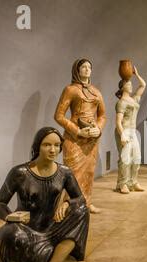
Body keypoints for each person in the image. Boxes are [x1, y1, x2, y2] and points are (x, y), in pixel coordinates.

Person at [0, 127, 90, 262]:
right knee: (10, 236)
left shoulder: (65, 172)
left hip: (53, 229)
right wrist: (10, 217)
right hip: (26, 232)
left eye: (57, 145)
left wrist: (67, 203)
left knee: (82, 210)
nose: (53, 150)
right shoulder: (20, 172)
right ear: (37, 146)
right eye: (47, 145)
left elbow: (79, 198)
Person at [54, 58, 106, 214]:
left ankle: (87, 202)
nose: (87, 69)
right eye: (83, 67)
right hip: (74, 138)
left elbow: (102, 115)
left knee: (89, 172)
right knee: (73, 174)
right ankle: (66, 207)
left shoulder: (96, 91)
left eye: (89, 67)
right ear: (76, 70)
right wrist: (77, 131)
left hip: (91, 139)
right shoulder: (70, 90)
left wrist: (99, 128)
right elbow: (59, 116)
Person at [115, 66, 146, 194]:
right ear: (122, 87)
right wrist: (122, 135)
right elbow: (118, 122)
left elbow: (143, 85)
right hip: (124, 131)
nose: (131, 85)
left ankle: (133, 182)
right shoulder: (121, 102)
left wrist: (136, 74)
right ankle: (122, 184)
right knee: (125, 159)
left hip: (132, 132)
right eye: (128, 83)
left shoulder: (134, 100)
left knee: (137, 157)